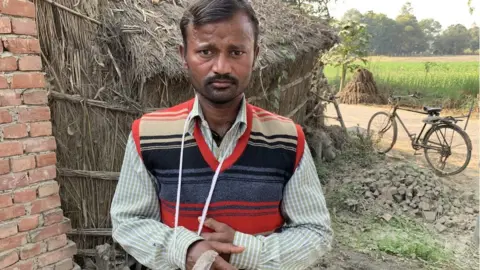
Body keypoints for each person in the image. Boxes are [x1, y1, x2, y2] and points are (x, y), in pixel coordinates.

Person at [110, 0, 333, 269]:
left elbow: (315, 232)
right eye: (206, 52)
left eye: (236, 52)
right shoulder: (148, 134)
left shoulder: (287, 139)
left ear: (256, 54)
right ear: (183, 55)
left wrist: (242, 249)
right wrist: (185, 250)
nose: (222, 67)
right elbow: (128, 221)